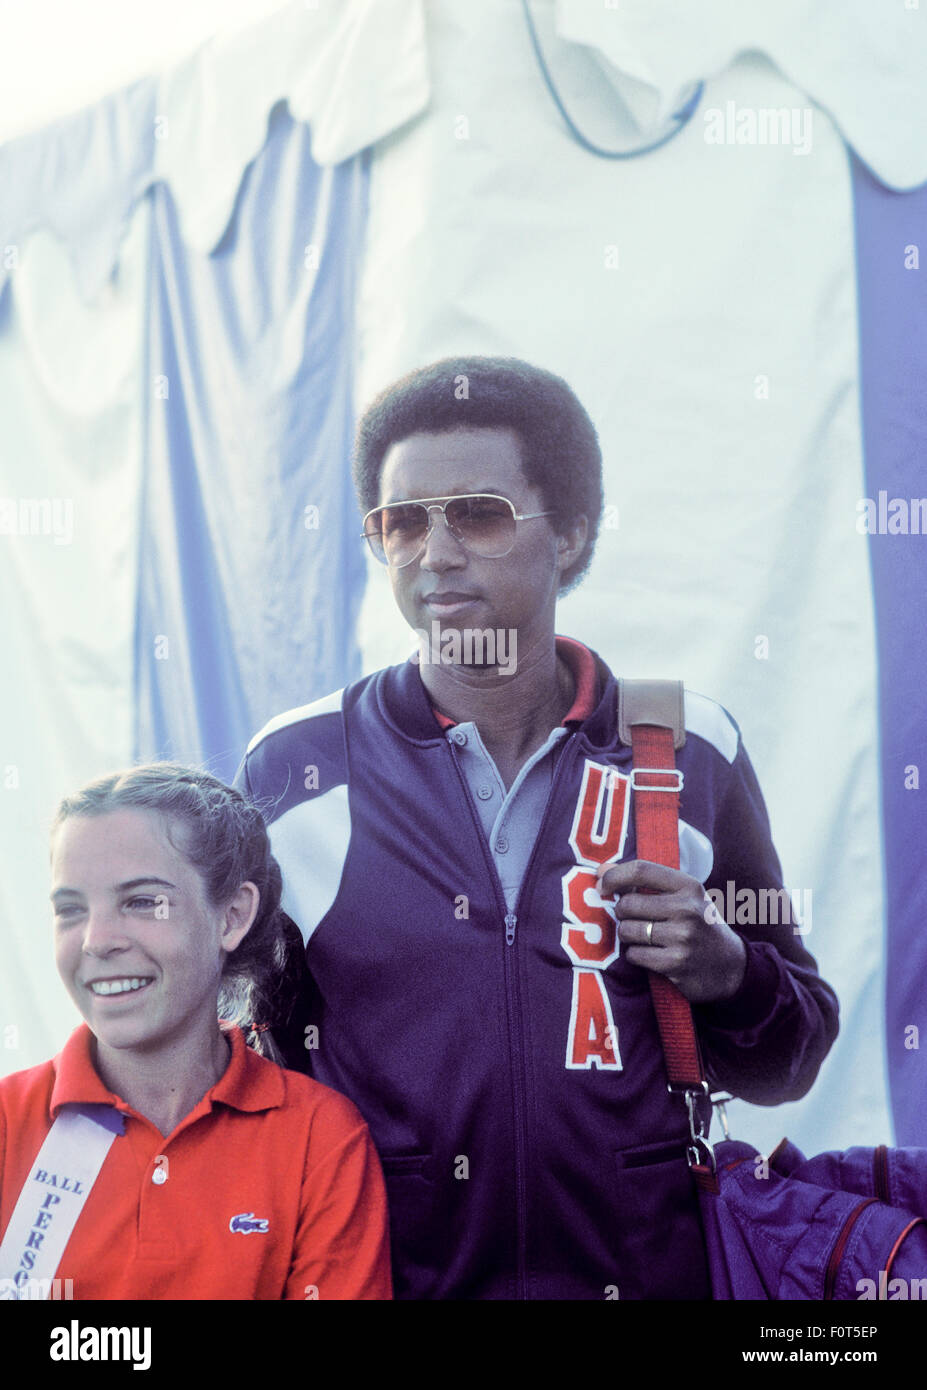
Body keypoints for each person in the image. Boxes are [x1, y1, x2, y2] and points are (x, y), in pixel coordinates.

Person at [237, 356, 840, 1300]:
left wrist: (723, 970)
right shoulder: (298, 765)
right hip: (386, 1281)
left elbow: (791, 1059)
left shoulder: (684, 750)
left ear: (569, 535)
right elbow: (243, 1062)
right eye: (401, 522)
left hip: (644, 1275)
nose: (434, 553)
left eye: (477, 513)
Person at [0, 765, 392, 1300]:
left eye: (141, 902)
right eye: (71, 909)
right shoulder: (8, 1123)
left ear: (231, 917)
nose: (95, 940)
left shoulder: (320, 1140)